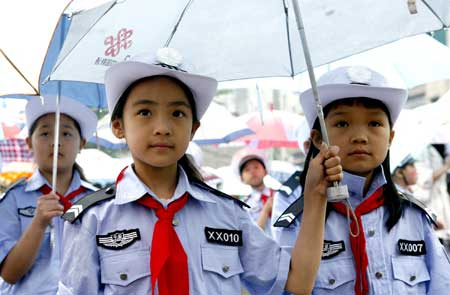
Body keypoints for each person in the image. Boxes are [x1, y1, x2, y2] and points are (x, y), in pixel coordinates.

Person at [57, 48, 343, 295]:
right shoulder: (92, 220)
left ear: (193, 129)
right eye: (145, 112)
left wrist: (316, 195)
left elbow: (296, 283)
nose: (162, 127)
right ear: (118, 126)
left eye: (178, 113)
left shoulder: (228, 214)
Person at [273, 66, 450, 294]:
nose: (360, 137)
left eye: (375, 124)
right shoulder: (298, 222)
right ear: (317, 139)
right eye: (342, 124)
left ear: (390, 137)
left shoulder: (413, 217)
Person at [0, 95, 98, 294]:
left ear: (82, 144)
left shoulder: (99, 202)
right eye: (45, 133)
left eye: (66, 134)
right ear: (29, 142)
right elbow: (9, 273)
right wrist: (39, 223)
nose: (56, 142)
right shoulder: (13, 199)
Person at [235, 149, 274, 235]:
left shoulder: (279, 195)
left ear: (265, 171)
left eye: (256, 167)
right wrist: (266, 210)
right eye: (247, 170)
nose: (252, 172)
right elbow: (253, 234)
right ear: (241, 178)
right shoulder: (244, 206)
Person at [414, 144, 450, 230]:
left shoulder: (445, 148)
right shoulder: (423, 150)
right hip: (431, 201)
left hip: (443, 200)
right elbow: (424, 179)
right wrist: (446, 166)